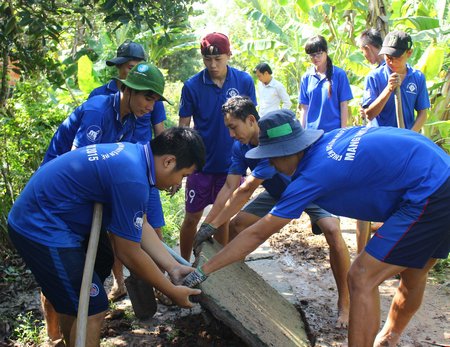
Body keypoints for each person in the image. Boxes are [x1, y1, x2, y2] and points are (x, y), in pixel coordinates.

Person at [183, 111, 450, 347]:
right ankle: (389, 338)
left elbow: (258, 232)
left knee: (361, 277)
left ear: (288, 152)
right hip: (439, 173)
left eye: (272, 158)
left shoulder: (311, 174)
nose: (272, 165)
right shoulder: (327, 141)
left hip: (429, 192)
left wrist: (204, 270)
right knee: (413, 273)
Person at [8, 127, 206, 347]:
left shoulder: (135, 157)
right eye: (183, 176)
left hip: (58, 218)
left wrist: (173, 267)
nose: (178, 184)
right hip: (41, 225)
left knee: (92, 274)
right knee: (93, 308)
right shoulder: (132, 178)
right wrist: (171, 290)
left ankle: (70, 338)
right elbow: (128, 252)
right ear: (168, 162)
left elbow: (140, 225)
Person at [193, 96, 350, 327]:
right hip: (277, 193)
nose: (231, 134)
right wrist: (210, 223)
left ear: (251, 120)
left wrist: (213, 226)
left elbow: (246, 189)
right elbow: (230, 186)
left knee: (333, 232)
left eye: (233, 127)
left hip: (308, 188)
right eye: (228, 128)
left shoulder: (274, 138)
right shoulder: (240, 147)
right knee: (238, 224)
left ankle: (344, 304)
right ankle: (232, 277)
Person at [40, 61, 169, 342]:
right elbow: (79, 167)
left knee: (94, 265)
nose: (151, 106)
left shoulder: (133, 119)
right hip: (58, 199)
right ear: (127, 88)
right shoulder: (98, 111)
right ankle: (54, 337)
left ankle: (73, 326)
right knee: (60, 273)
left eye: (155, 99)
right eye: (148, 97)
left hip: (90, 200)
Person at [89, 40, 168, 302]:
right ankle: (119, 282)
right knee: (119, 234)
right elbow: (87, 153)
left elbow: (160, 134)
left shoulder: (149, 97)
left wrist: (168, 167)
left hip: (143, 173)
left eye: (134, 67)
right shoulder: (102, 100)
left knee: (150, 226)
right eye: (125, 67)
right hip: (109, 179)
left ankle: (158, 280)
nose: (128, 72)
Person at [178, 32, 257, 261]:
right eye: (207, 59)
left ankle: (218, 269)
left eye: (218, 59)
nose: (212, 65)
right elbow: (184, 126)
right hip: (201, 165)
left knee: (223, 219)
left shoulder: (243, 81)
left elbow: (253, 121)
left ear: (229, 55)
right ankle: (184, 265)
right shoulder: (192, 86)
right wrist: (182, 161)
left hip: (232, 163)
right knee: (192, 218)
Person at [362, 30, 430, 131]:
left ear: (409, 53)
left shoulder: (418, 77)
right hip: (380, 137)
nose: (391, 61)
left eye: (396, 57)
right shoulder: (374, 77)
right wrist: (389, 89)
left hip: (407, 137)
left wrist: (409, 136)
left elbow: (423, 113)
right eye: (388, 57)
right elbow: (369, 115)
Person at [355, 28, 385, 253]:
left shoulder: (376, 76)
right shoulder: (385, 74)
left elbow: (368, 113)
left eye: (363, 51)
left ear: (368, 48)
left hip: (379, 147)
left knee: (364, 199)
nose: (364, 56)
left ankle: (364, 253)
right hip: (387, 145)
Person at [297, 35, 353, 133]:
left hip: (334, 131)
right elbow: (304, 108)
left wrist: (342, 131)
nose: (315, 58)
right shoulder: (306, 77)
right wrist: (302, 133)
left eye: (318, 53)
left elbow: (344, 105)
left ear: (326, 52)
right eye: (312, 55)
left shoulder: (339, 74)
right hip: (312, 133)